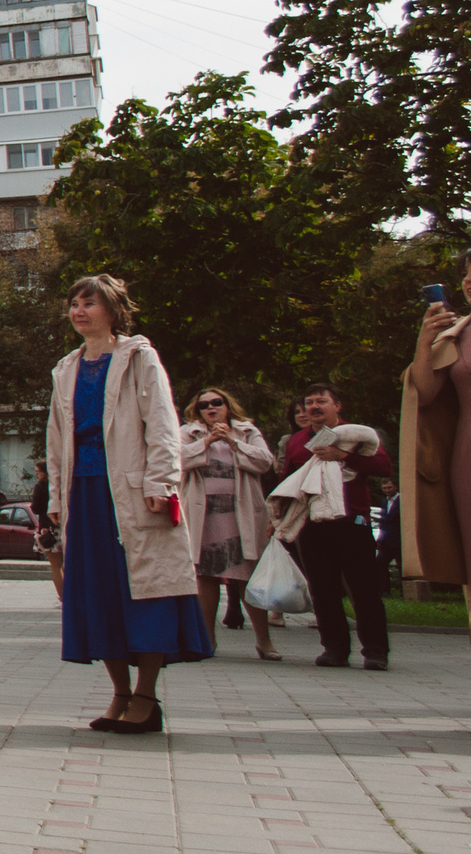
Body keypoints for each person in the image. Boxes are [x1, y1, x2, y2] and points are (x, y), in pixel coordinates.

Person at [50, 273, 210, 735]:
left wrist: (162, 481)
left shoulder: (139, 357)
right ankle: (119, 691)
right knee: (98, 592)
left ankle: (146, 694)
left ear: (113, 310)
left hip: (134, 493)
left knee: (144, 589)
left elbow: (162, 422)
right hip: (86, 492)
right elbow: (58, 436)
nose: (79, 311)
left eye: (89, 303)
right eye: (74, 304)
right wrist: (58, 495)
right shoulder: (66, 367)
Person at [283, 382, 398, 670]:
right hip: (311, 523)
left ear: (337, 406)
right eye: (309, 403)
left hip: (352, 521)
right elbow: (287, 478)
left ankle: (375, 651)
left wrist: (345, 456)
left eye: (321, 401)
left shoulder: (358, 435)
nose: (314, 407)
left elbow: (384, 468)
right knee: (323, 589)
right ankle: (334, 649)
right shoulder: (298, 440)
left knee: (364, 589)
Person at [178, 387, 279, 660]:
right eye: (204, 406)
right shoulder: (189, 433)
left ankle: (264, 640)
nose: (211, 408)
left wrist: (234, 444)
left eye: (216, 403)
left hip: (241, 514)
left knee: (248, 575)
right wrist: (208, 442)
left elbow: (265, 463)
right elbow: (176, 461)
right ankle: (207, 640)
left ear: (227, 405)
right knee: (206, 576)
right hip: (204, 516)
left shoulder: (247, 431)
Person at [402, 257, 469, 615]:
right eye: (466, 274)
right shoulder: (458, 334)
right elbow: (424, 394)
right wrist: (425, 341)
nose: (470, 280)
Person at [30, 469, 63, 598]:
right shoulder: (61, 484)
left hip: (47, 528)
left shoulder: (41, 487)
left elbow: (36, 508)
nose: (36, 474)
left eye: (38, 471)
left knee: (55, 565)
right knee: (67, 563)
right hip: (63, 526)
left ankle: (62, 597)